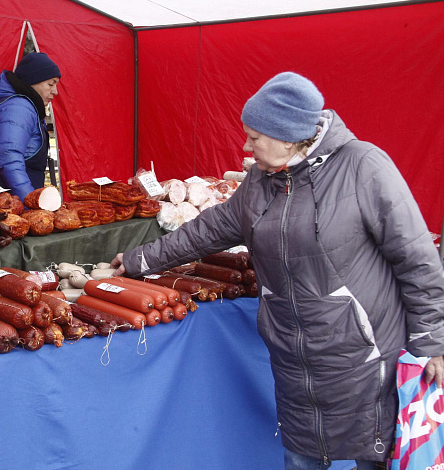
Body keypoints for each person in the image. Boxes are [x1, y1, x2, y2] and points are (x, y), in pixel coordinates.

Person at [110, 72, 444, 469]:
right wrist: (139, 261)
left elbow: (416, 258)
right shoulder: (259, 182)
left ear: (288, 136)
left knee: (371, 453)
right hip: (292, 353)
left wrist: (432, 341)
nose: (246, 147)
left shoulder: (363, 166)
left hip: (362, 352)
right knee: (302, 454)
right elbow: (211, 228)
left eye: (255, 137)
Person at [0, 52, 61, 207]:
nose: (55, 91)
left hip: (7, 197)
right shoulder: (18, 107)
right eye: (51, 84)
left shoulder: (26, 107)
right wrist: (30, 202)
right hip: (2, 201)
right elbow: (10, 157)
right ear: (33, 82)